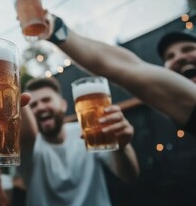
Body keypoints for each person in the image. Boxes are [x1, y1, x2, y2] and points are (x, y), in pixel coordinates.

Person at [33, 12, 196, 135]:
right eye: (170, 57)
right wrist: (56, 30)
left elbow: (123, 67)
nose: (179, 58)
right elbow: (127, 67)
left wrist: (57, 30)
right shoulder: (185, 106)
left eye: (188, 49)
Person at [18, 77, 139, 206]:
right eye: (33, 105)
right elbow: (28, 136)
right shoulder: (29, 146)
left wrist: (121, 148)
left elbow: (129, 175)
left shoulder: (87, 132)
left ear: (63, 105)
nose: (40, 107)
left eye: (46, 100)